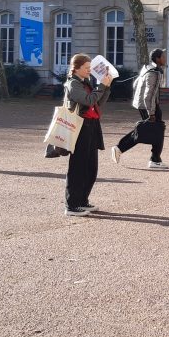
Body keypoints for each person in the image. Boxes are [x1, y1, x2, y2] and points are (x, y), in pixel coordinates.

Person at [63, 54, 112, 216]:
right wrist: (101, 87)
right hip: (79, 127)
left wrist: (106, 86)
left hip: (92, 126)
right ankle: (71, 205)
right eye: (86, 68)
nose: (89, 70)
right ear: (76, 68)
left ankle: (82, 200)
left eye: (90, 67)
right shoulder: (73, 84)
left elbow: (98, 103)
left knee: (91, 167)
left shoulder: (86, 83)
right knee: (78, 167)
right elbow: (88, 101)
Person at [111, 48, 168, 169]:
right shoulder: (154, 72)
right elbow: (149, 94)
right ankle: (120, 148)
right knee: (147, 131)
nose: (165, 58)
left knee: (157, 131)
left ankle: (155, 159)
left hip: (144, 104)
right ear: (157, 59)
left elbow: (135, 84)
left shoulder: (148, 68)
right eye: (163, 56)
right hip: (149, 105)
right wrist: (151, 113)